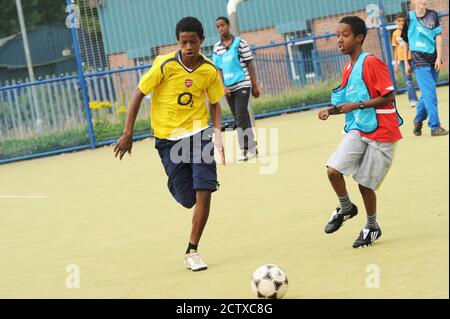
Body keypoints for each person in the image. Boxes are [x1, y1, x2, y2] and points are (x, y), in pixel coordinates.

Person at [114, 17, 225, 271]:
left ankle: (192, 250)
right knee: (188, 198)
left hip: (199, 133)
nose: (188, 47)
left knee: (205, 190)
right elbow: (139, 93)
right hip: (168, 139)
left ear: (201, 42)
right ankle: (180, 180)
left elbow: (216, 102)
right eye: (184, 42)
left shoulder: (208, 69)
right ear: (178, 42)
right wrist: (128, 132)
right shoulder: (164, 65)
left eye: (193, 42)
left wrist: (216, 134)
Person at [318, 16, 403, 248]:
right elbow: (347, 102)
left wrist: (357, 106)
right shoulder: (349, 67)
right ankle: (346, 208)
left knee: (364, 185)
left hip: (382, 131)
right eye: (337, 36)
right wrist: (330, 110)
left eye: (345, 35)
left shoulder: (371, 63)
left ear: (359, 38)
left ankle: (372, 226)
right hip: (358, 127)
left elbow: (389, 96)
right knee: (333, 170)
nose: (339, 40)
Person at [213, 16, 260, 161]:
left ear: (228, 26)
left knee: (240, 116)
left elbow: (249, 64)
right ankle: (252, 147)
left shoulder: (240, 43)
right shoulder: (217, 48)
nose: (221, 29)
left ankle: (243, 149)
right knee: (240, 116)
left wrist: (255, 85)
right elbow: (218, 69)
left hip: (243, 84)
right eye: (218, 27)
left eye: (223, 25)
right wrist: (223, 87)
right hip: (228, 88)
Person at [401, 0, 448, 136]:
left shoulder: (433, 15)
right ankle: (435, 126)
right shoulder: (409, 17)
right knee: (430, 94)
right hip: (418, 59)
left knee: (427, 93)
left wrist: (439, 57)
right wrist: (405, 62)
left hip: (433, 59)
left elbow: (438, 37)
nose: (424, 1)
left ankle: (418, 119)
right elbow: (405, 41)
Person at [391, 13, 418, 107]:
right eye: (399, 21)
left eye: (403, 21)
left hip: (413, 58)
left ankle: (425, 98)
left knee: (419, 78)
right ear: (395, 21)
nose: (401, 23)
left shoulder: (410, 30)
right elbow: (395, 48)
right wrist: (396, 63)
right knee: (408, 80)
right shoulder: (395, 34)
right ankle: (413, 99)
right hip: (402, 60)